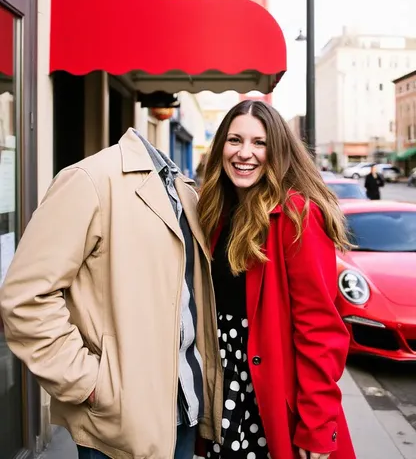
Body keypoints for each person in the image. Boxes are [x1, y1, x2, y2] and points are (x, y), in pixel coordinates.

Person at [0, 129, 223, 459]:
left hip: (183, 412)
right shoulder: (89, 181)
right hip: (119, 420)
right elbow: (25, 298)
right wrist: (89, 383)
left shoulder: (184, 193)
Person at [197, 100, 356, 459]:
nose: (245, 153)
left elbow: (320, 328)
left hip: (271, 393)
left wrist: (317, 424)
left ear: (277, 151)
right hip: (224, 385)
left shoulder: (297, 215)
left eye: (259, 143)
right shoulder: (216, 212)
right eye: (235, 140)